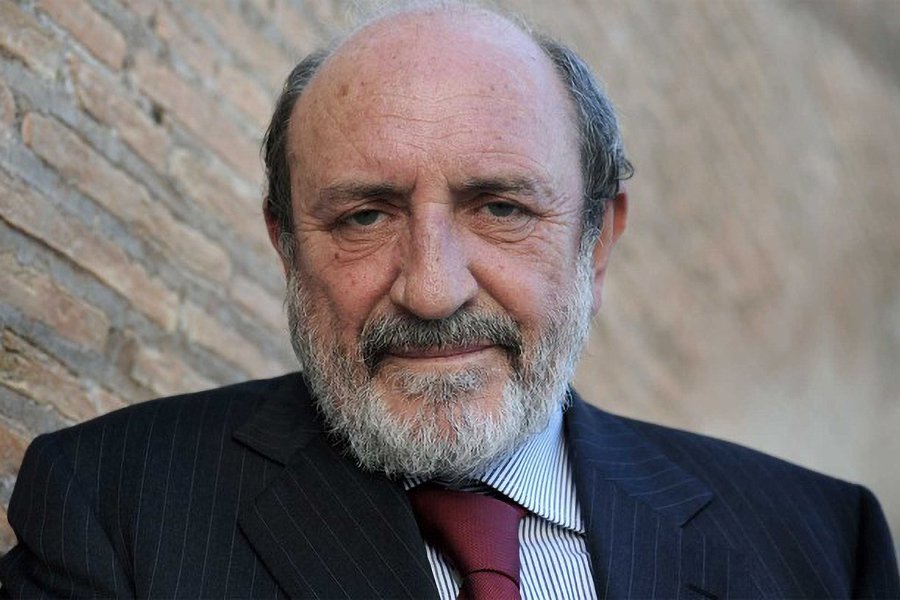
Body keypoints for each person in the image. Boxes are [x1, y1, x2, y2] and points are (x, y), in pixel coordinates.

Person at [1, 3, 897, 599]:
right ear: (287, 246)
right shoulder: (115, 507)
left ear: (597, 243)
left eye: (501, 208)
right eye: (363, 216)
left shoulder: (821, 545)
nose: (432, 289)